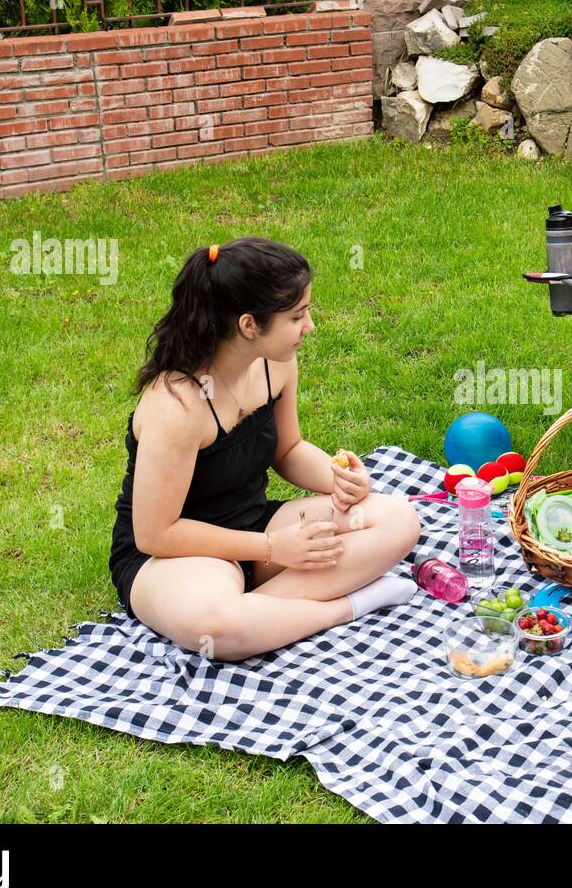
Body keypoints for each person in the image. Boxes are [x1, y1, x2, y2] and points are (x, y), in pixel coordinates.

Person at [108, 237, 421, 661]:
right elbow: (155, 533)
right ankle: (344, 607)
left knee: (397, 519)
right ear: (249, 325)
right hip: (175, 555)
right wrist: (274, 550)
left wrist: (340, 477)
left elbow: (288, 449)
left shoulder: (277, 363)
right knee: (216, 628)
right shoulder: (176, 405)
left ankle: (260, 614)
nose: (309, 326)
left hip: (256, 526)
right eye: (296, 316)